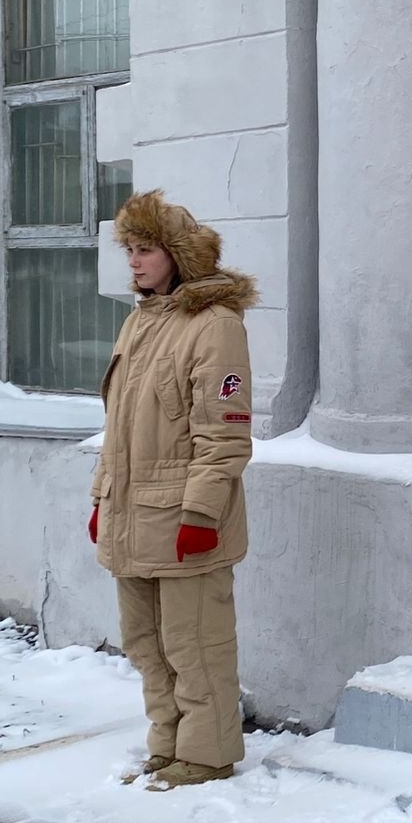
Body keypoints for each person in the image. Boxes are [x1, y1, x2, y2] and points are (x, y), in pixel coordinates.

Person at [88, 189, 257, 789]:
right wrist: (102, 494)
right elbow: (120, 429)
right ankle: (167, 743)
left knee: (196, 643)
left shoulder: (216, 328)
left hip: (184, 519)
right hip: (131, 515)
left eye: (147, 250)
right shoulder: (139, 321)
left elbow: (226, 434)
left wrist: (202, 513)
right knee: (146, 643)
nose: (134, 262)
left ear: (178, 255)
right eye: (129, 250)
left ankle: (208, 753)